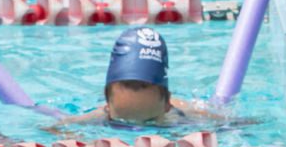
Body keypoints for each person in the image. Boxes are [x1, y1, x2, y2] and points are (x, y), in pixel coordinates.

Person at [65, 28, 220, 128]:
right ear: (107, 105)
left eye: (150, 122)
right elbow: (59, 128)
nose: (138, 131)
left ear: (167, 104)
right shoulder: (97, 117)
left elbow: (226, 125)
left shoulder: (186, 116)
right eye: (122, 122)